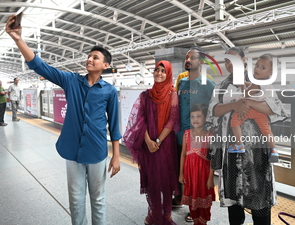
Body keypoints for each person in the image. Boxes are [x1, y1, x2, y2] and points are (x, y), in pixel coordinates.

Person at [6, 14, 121, 225]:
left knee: (98, 198)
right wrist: (18, 39)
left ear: (105, 65)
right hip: (72, 149)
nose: (90, 59)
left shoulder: (110, 91)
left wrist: (116, 155)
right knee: (76, 199)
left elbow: (114, 125)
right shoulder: (71, 81)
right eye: (89, 56)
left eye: (95, 57)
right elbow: (40, 66)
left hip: (97, 151)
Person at [207, 47, 287, 225]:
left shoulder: (261, 80)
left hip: (257, 153)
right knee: (235, 206)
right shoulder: (220, 87)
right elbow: (213, 111)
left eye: (233, 60)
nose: (229, 64)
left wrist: (249, 103)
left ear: (244, 60)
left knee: (260, 202)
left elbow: (275, 109)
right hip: (231, 151)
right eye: (226, 61)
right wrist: (235, 105)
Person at [123, 60, 180, 225]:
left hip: (165, 143)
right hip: (148, 143)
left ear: (168, 74)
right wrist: (148, 140)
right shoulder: (145, 95)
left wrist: (158, 141)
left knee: (166, 181)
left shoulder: (172, 94)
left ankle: (167, 215)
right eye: (157, 70)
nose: (159, 73)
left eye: (163, 71)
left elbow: (172, 119)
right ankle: (154, 212)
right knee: (153, 181)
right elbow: (140, 119)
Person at [175, 46, 215, 222]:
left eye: (192, 58)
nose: (188, 60)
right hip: (180, 136)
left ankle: (199, 211)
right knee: (186, 173)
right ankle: (190, 203)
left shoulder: (208, 83)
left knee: (199, 174)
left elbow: (214, 111)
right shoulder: (182, 84)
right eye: (187, 57)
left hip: (200, 137)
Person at [229, 54, 281, 162]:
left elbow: (245, 94)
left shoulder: (257, 83)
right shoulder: (267, 83)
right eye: (257, 65)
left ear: (270, 72)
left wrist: (242, 85)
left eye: (262, 67)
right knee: (266, 130)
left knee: (234, 122)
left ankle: (239, 145)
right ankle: (274, 149)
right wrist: (246, 83)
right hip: (262, 112)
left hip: (251, 110)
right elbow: (254, 88)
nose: (257, 68)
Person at [179, 103, 215, 225]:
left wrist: (211, 177)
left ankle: (202, 222)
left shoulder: (210, 135)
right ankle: (195, 221)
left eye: (199, 116)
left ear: (205, 118)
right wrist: (181, 174)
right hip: (190, 174)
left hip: (204, 175)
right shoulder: (187, 134)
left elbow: (212, 158)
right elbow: (183, 154)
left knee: (204, 202)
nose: (195, 119)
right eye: (192, 116)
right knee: (192, 200)